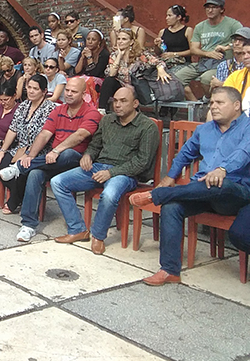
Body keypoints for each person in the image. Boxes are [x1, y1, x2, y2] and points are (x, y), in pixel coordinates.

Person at [127, 87, 250, 285]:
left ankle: (159, 195)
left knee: (219, 184)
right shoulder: (204, 130)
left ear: (236, 105)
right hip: (201, 191)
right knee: (172, 207)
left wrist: (222, 169)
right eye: (211, 103)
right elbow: (185, 154)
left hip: (235, 192)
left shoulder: (248, 128)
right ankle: (169, 270)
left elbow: (244, 153)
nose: (214, 107)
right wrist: (170, 176)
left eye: (220, 103)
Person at [51, 86, 159, 255]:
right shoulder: (107, 120)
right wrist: (88, 155)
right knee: (57, 182)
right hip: (99, 166)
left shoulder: (147, 127)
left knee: (109, 195)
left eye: (123, 101)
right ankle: (77, 229)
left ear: (135, 103)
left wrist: (111, 173)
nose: (118, 105)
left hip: (125, 173)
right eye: (115, 101)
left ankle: (98, 236)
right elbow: (95, 145)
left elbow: (142, 162)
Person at [0, 78, 101, 242]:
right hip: (53, 161)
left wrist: (57, 150)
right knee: (35, 173)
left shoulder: (91, 113)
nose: (68, 94)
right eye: (67, 90)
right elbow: (45, 134)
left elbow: (81, 135)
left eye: (74, 91)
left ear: (83, 94)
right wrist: (31, 155)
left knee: (67, 154)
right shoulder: (59, 110)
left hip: (78, 161)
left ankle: (18, 168)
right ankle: (29, 225)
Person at [0, 74, 56, 213]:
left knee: (24, 169)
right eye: (29, 87)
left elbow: (43, 136)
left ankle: (14, 199)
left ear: (44, 91)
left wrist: (28, 154)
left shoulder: (50, 108)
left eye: (35, 89)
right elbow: (13, 129)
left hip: (39, 150)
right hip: (20, 148)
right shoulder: (23, 105)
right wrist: (2, 150)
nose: (31, 91)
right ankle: (20, 195)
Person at [174, 0, 242, 100]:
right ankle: (197, 104)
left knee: (206, 79)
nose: (210, 10)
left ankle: (209, 99)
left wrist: (226, 47)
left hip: (222, 63)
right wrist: (208, 54)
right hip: (203, 63)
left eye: (214, 7)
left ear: (222, 9)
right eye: (207, 7)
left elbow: (243, 41)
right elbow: (194, 49)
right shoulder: (200, 26)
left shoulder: (233, 24)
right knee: (176, 78)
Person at [98, 29, 169, 110]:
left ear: (131, 42)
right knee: (109, 81)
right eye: (118, 39)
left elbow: (158, 62)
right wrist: (119, 56)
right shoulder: (114, 55)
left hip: (135, 88)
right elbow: (111, 74)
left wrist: (160, 69)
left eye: (124, 39)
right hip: (120, 87)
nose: (120, 41)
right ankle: (101, 110)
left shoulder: (139, 54)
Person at [154, 4, 193, 72]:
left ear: (178, 17)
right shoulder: (162, 32)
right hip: (165, 63)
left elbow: (193, 50)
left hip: (182, 63)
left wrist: (174, 54)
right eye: (167, 15)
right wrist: (156, 45)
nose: (167, 18)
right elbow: (158, 53)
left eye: (170, 15)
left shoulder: (188, 30)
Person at [221, 30, 250, 115]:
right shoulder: (235, 76)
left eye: (249, 53)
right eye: (243, 53)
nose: (246, 56)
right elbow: (224, 99)